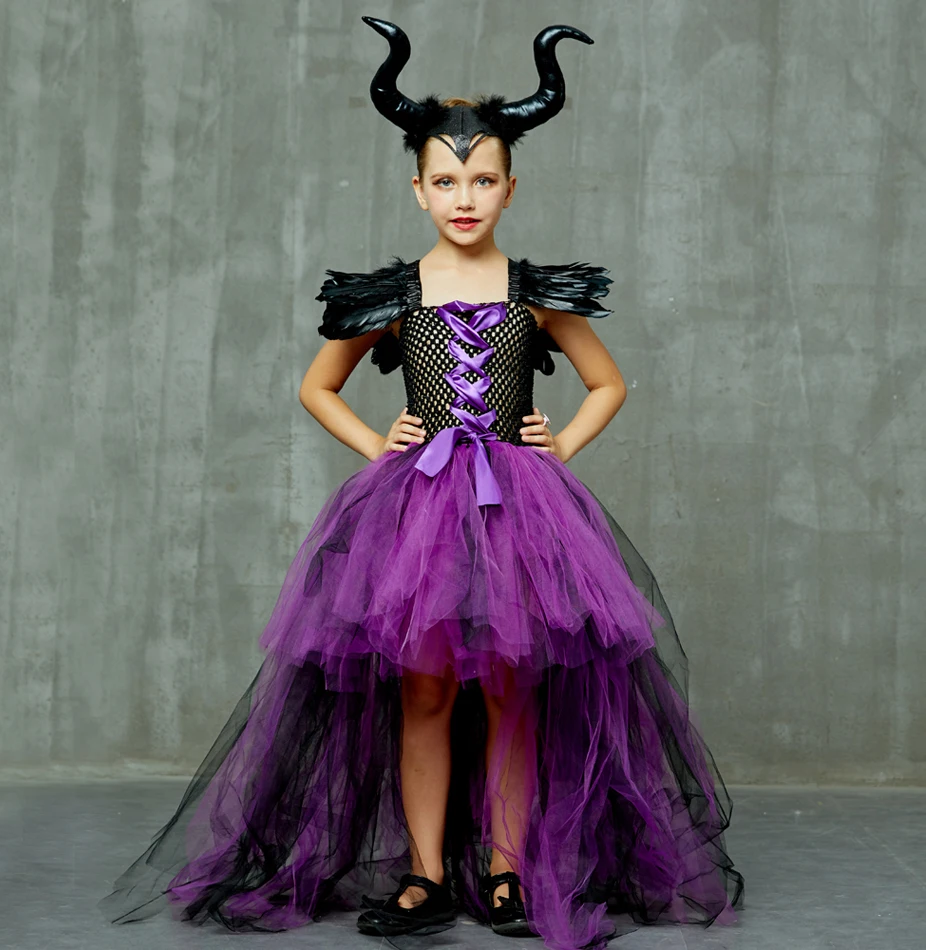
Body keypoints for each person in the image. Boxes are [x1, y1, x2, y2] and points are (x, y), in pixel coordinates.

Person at [99, 16, 744, 950]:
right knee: (426, 694)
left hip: (521, 511)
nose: (464, 197)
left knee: (514, 693)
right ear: (418, 189)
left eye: (482, 180)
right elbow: (317, 387)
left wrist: (560, 442)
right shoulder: (394, 295)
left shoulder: (535, 291)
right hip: (419, 518)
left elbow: (609, 383)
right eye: (446, 180)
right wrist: (378, 442)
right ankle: (425, 873)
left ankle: (509, 871)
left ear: (511, 186)